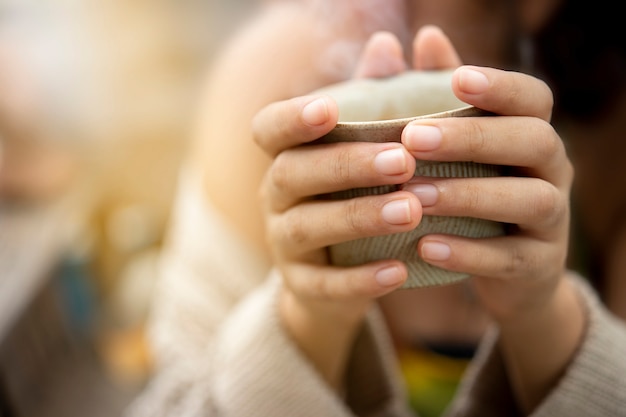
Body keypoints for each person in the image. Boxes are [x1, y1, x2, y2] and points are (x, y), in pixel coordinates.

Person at [125, 0, 626, 416]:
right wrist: (306, 318)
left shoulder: (612, 104)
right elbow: (172, 402)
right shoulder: (278, 73)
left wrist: (544, 316)